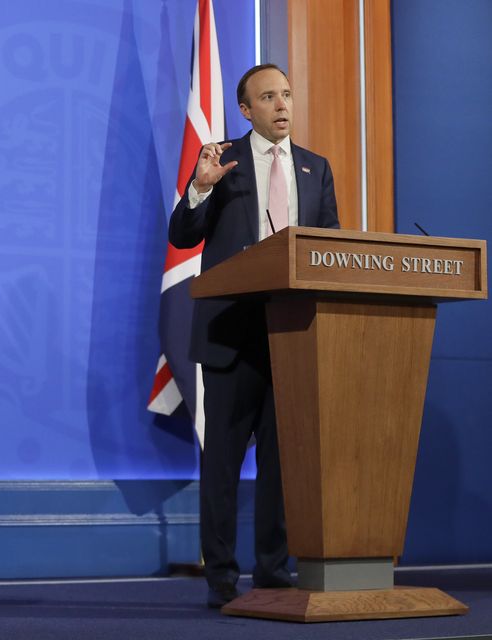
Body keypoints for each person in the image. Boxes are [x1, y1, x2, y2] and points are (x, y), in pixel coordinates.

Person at [169, 64, 340, 608]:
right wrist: (200, 188)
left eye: (287, 95)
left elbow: (328, 252)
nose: (282, 105)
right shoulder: (224, 164)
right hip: (230, 333)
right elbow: (182, 236)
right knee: (221, 460)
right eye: (269, 97)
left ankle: (272, 571)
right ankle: (221, 574)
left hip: (291, 334)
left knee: (281, 461)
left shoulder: (316, 168)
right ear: (246, 109)